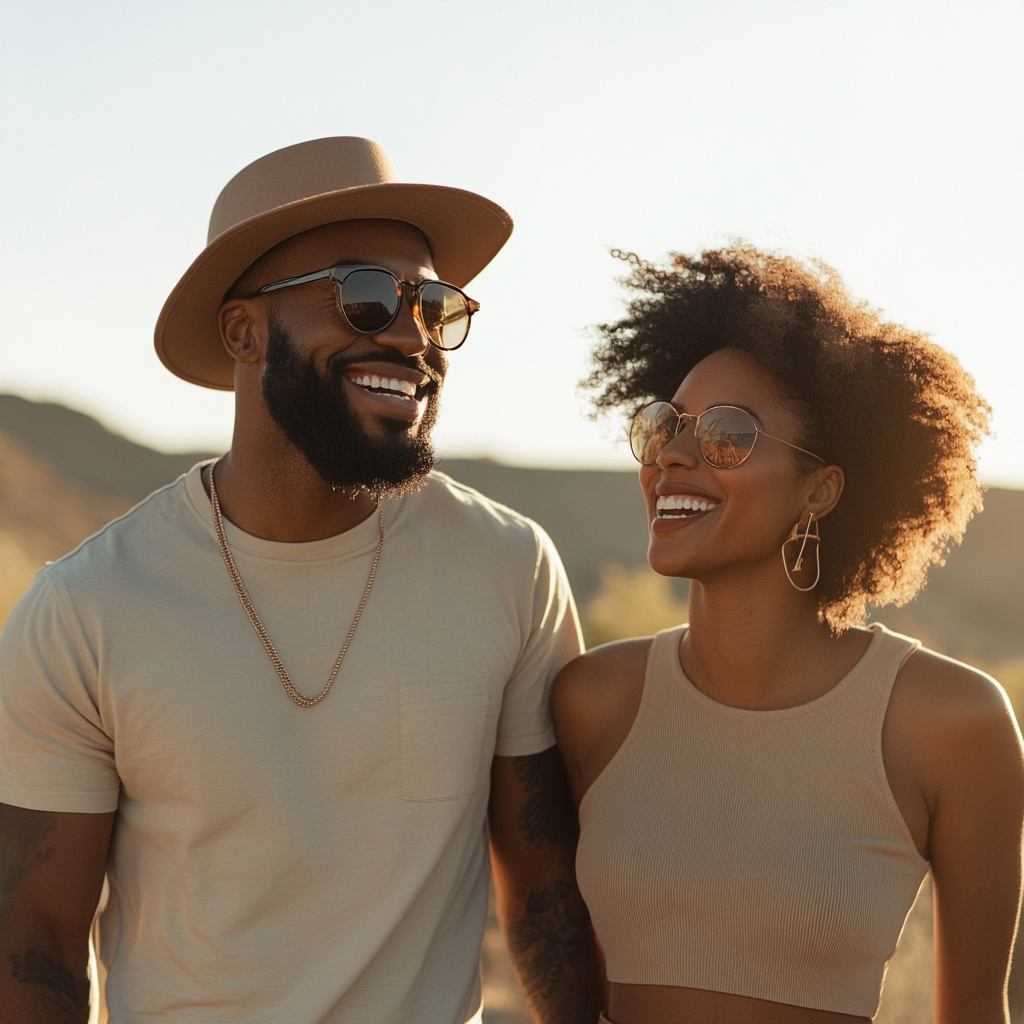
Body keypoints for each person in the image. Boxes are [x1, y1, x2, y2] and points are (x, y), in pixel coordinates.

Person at [0, 137, 604, 1024]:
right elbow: (35, 935)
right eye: (364, 299)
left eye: (434, 307)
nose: (411, 335)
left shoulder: (508, 567)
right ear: (244, 331)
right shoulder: (86, 607)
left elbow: (546, 889)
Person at [553, 245, 1024, 1024]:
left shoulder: (951, 723)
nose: (671, 455)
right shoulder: (592, 702)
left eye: (727, 434)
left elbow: (974, 1012)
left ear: (820, 489)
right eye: (664, 425)